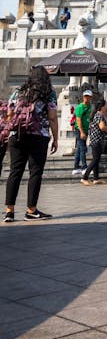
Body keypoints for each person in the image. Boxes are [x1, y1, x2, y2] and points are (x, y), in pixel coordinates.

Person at [4, 66, 58, 222]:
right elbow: (53, 117)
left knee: (15, 171)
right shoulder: (49, 94)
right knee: (35, 172)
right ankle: (31, 210)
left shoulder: (18, 91)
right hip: (38, 136)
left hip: (17, 135)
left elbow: (9, 115)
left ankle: (9, 211)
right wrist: (55, 138)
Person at [81, 100, 107, 185]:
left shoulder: (99, 115)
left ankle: (96, 178)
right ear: (102, 107)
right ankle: (84, 178)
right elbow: (102, 127)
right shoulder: (99, 115)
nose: (106, 107)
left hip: (96, 140)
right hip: (96, 140)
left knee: (97, 159)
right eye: (105, 105)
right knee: (95, 159)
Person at [72, 89, 93, 176]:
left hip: (85, 129)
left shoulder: (89, 106)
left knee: (79, 149)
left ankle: (76, 167)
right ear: (83, 96)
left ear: (91, 97)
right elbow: (78, 120)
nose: (86, 98)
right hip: (80, 130)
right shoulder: (80, 107)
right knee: (83, 148)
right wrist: (82, 132)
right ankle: (84, 168)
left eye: (88, 96)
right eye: (85, 96)